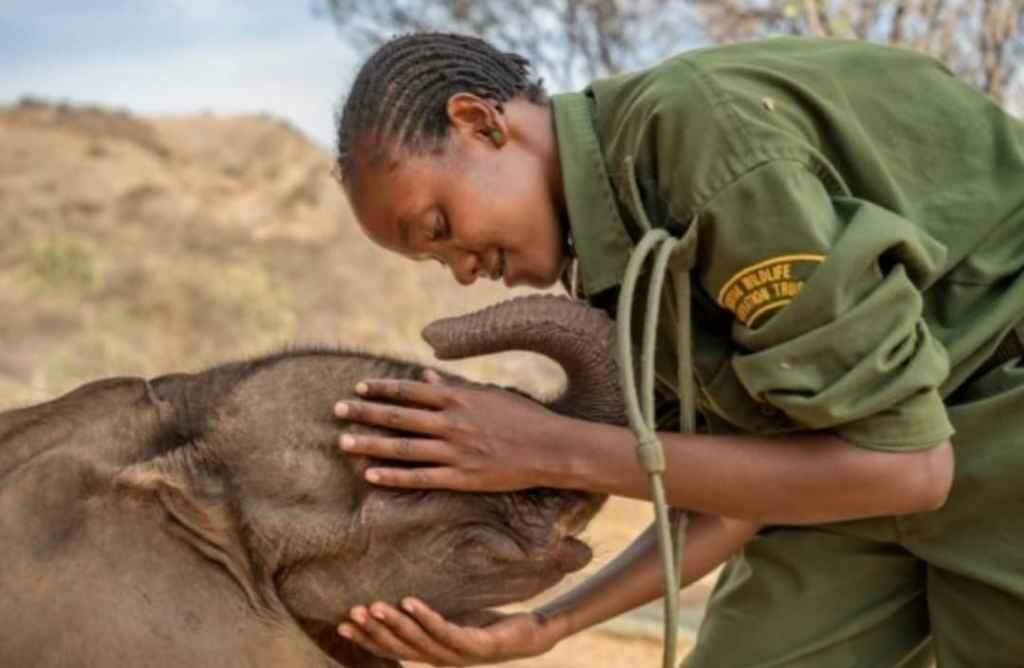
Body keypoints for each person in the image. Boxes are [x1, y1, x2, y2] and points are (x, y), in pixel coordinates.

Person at [328, 31, 1024, 667]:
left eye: (441, 224)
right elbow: (734, 496)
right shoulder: (615, 264)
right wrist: (548, 626)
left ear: (480, 124)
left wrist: (545, 447)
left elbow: (908, 467)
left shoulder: (697, 144)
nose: (462, 269)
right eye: (433, 259)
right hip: (859, 464)